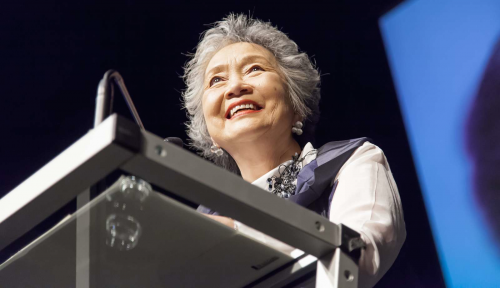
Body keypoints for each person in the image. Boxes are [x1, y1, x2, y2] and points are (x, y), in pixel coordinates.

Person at [181, 13, 406, 288]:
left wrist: (239, 234)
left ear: (297, 105)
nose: (235, 87)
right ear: (210, 134)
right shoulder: (205, 217)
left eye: (254, 69)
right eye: (216, 80)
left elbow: (359, 254)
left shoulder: (353, 162)